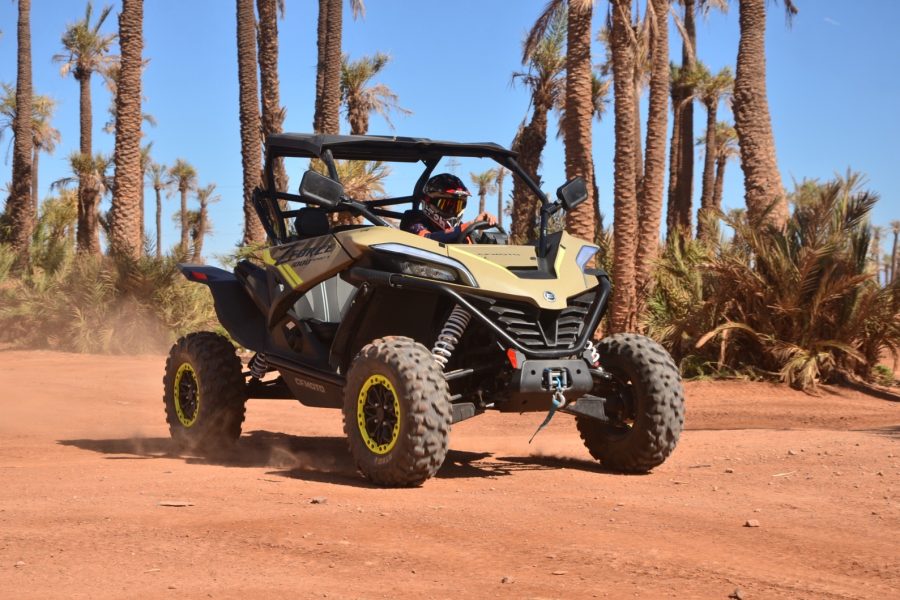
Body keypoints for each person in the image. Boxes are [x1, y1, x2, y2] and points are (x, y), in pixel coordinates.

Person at [400, 173, 497, 243]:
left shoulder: (463, 229)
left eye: (458, 206)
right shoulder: (413, 220)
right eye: (446, 205)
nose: (452, 211)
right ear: (428, 202)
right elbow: (426, 239)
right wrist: (469, 225)